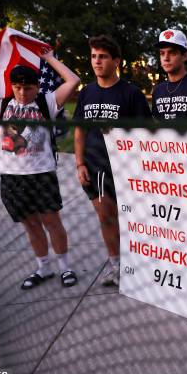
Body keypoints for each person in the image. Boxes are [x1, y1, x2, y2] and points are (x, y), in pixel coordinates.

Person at [0, 50, 80, 290]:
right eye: (17, 87)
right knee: (31, 224)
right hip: (11, 176)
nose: (22, 92)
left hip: (41, 174)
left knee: (52, 221)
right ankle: (43, 268)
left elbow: (73, 81)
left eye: (28, 87)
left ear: (37, 87)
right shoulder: (3, 103)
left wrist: (49, 58)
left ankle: (64, 267)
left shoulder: (46, 102)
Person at [74, 35, 152, 287]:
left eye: (103, 56)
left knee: (132, 219)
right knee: (106, 217)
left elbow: (148, 133)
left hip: (126, 167)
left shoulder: (131, 93)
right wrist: (79, 163)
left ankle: (138, 263)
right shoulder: (86, 93)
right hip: (95, 166)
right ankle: (115, 264)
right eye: (94, 56)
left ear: (116, 61)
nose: (97, 61)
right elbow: (79, 131)